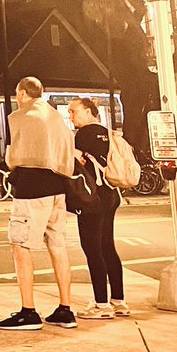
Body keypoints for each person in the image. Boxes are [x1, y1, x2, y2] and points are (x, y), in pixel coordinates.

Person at [0, 76, 77, 331]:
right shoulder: (56, 117)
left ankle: (28, 311)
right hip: (58, 189)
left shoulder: (24, 116)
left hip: (32, 189)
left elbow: (14, 156)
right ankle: (65, 309)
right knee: (57, 245)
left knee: (20, 246)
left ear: (22, 94)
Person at [68, 98, 130, 319]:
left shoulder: (83, 135)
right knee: (107, 247)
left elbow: (71, 165)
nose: (71, 116)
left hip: (91, 199)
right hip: (111, 195)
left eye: (73, 111)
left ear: (87, 111)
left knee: (92, 249)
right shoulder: (109, 133)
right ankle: (119, 301)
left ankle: (101, 304)